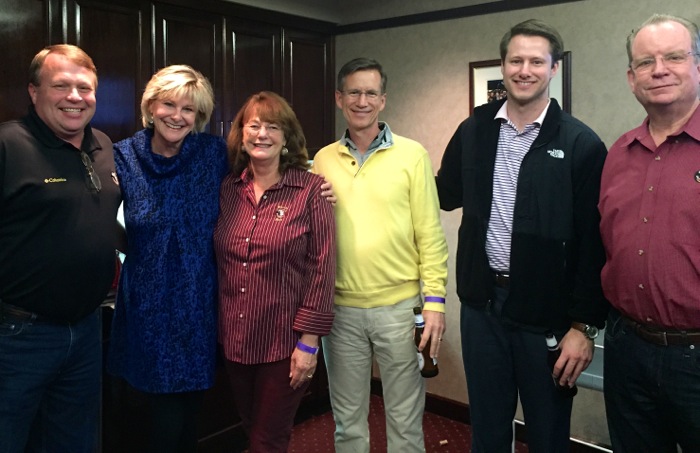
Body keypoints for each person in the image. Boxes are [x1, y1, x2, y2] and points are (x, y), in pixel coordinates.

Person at [435, 19, 609, 452]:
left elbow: (595, 243)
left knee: (548, 435)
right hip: (481, 305)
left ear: (553, 69)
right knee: (488, 431)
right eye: (516, 60)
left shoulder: (580, 143)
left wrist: (583, 327)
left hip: (546, 315)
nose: (524, 69)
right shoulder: (473, 130)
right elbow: (441, 193)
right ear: (503, 65)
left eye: (536, 61)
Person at [312, 58, 448, 453]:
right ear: (340, 98)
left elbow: (430, 234)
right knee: (348, 423)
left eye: (371, 92)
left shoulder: (413, 155)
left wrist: (435, 301)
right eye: (353, 92)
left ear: (383, 100)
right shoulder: (321, 160)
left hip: (400, 311)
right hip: (341, 313)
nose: (362, 101)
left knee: (405, 423)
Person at [0, 44, 121, 453]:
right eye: (61, 86)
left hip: (86, 331)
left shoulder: (103, 145)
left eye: (84, 88)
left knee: (75, 443)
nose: (75, 97)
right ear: (34, 92)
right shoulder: (8, 145)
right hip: (18, 335)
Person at [106, 65, 228, 453]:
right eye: (168, 104)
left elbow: (265, 177)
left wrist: (315, 188)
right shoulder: (122, 156)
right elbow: (93, 214)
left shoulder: (214, 154)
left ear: (200, 116)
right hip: (147, 302)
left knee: (189, 407)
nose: (177, 116)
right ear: (150, 107)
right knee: (152, 411)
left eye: (189, 109)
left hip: (198, 298)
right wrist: (132, 247)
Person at [598, 14, 700, 452]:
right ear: (631, 78)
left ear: (698, 65)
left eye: (674, 57)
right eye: (645, 62)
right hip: (628, 349)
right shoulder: (618, 153)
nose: (659, 70)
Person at [214, 91, 336, 452]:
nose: (261, 134)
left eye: (273, 126)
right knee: (252, 429)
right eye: (253, 125)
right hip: (235, 339)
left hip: (285, 342)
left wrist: (309, 342)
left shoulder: (312, 191)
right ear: (241, 133)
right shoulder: (227, 190)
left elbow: (323, 267)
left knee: (268, 439)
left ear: (287, 138)